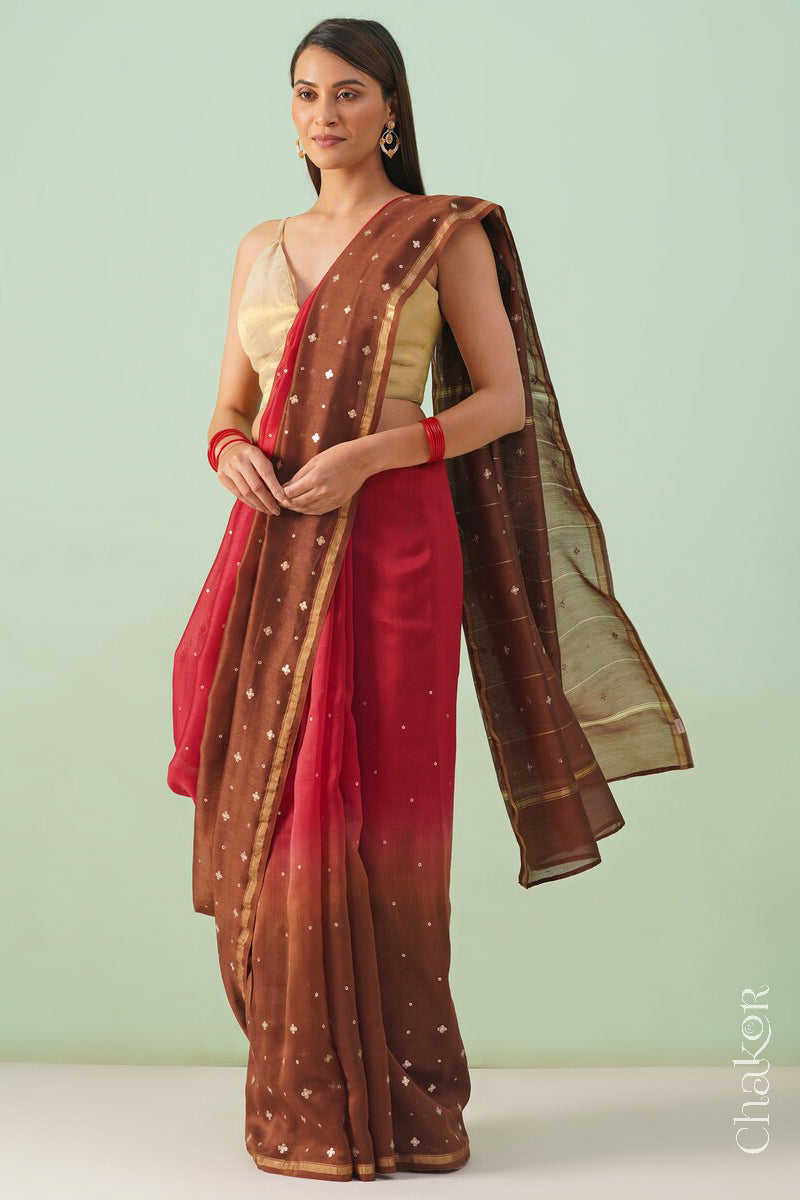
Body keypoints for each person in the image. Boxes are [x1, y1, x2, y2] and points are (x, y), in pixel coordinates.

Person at [167, 17, 694, 1184]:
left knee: (383, 800)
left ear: (391, 109)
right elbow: (227, 403)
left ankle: (405, 1103)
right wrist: (226, 451)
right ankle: (301, 1093)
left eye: (349, 93)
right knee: (276, 804)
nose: (323, 113)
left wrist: (367, 456)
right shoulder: (261, 243)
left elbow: (503, 400)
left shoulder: (440, 236)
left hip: (396, 541)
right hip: (271, 553)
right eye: (304, 93)